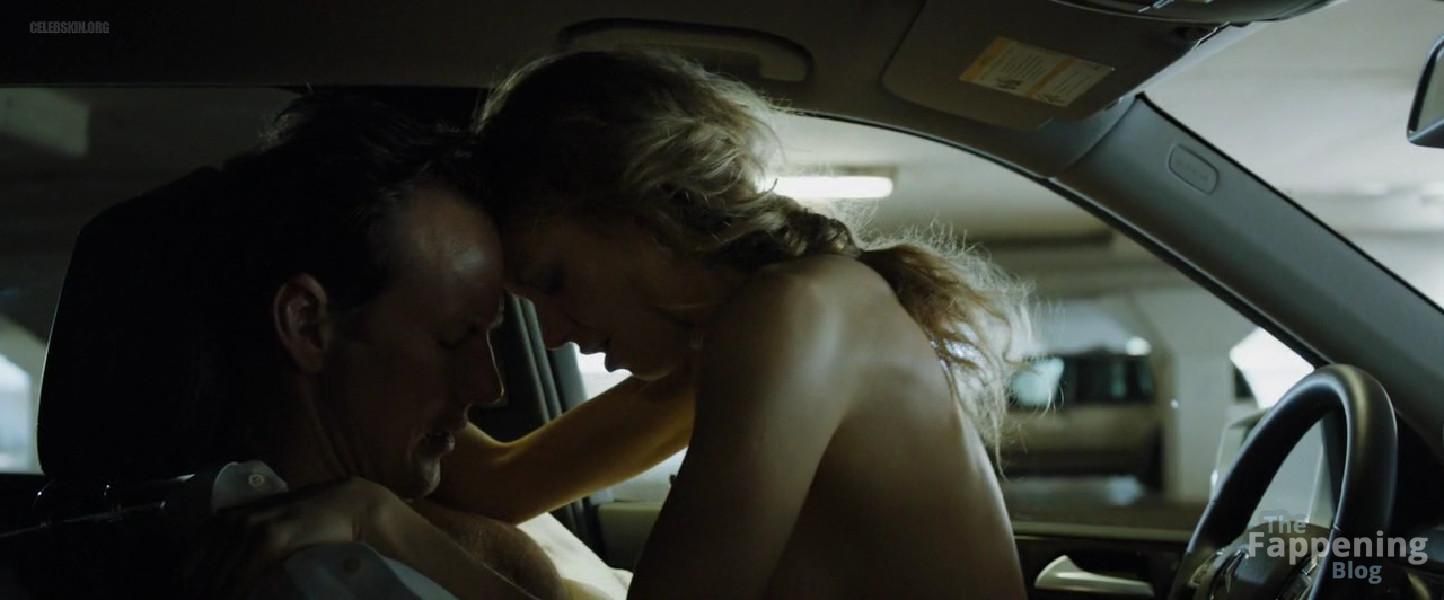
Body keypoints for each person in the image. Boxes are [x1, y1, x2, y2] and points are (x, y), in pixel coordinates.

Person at [471, 50, 1032, 599]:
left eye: (553, 282)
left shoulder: (791, 315)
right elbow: (500, 486)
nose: (552, 334)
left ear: (642, 210)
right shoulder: (735, 337)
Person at [181, 94, 691, 599]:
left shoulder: (379, 499)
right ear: (308, 325)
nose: (489, 387)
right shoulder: (321, 572)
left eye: (488, 335)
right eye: (452, 338)